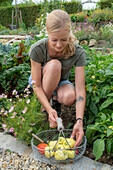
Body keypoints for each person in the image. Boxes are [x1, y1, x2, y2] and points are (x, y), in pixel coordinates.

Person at [28, 9, 86, 147]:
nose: (59, 45)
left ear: (69, 34)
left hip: (61, 82)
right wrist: (48, 109)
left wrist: (79, 120)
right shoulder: (38, 49)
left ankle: (54, 103)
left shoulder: (78, 53)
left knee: (69, 96)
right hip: (41, 83)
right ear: (47, 33)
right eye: (54, 40)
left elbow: (80, 90)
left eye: (64, 40)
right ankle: (44, 109)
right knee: (55, 65)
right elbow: (37, 86)